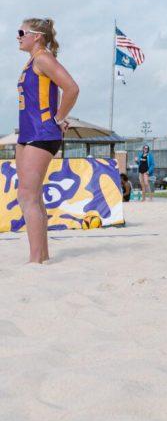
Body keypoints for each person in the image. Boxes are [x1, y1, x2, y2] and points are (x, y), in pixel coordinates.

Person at [16, 18, 79, 264]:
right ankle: (41, 256)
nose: (18, 36)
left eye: (22, 32)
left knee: (28, 196)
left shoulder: (43, 58)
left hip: (41, 134)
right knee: (30, 196)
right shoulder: (33, 61)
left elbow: (72, 88)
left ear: (37, 36)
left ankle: (35, 260)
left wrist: (59, 117)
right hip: (28, 134)